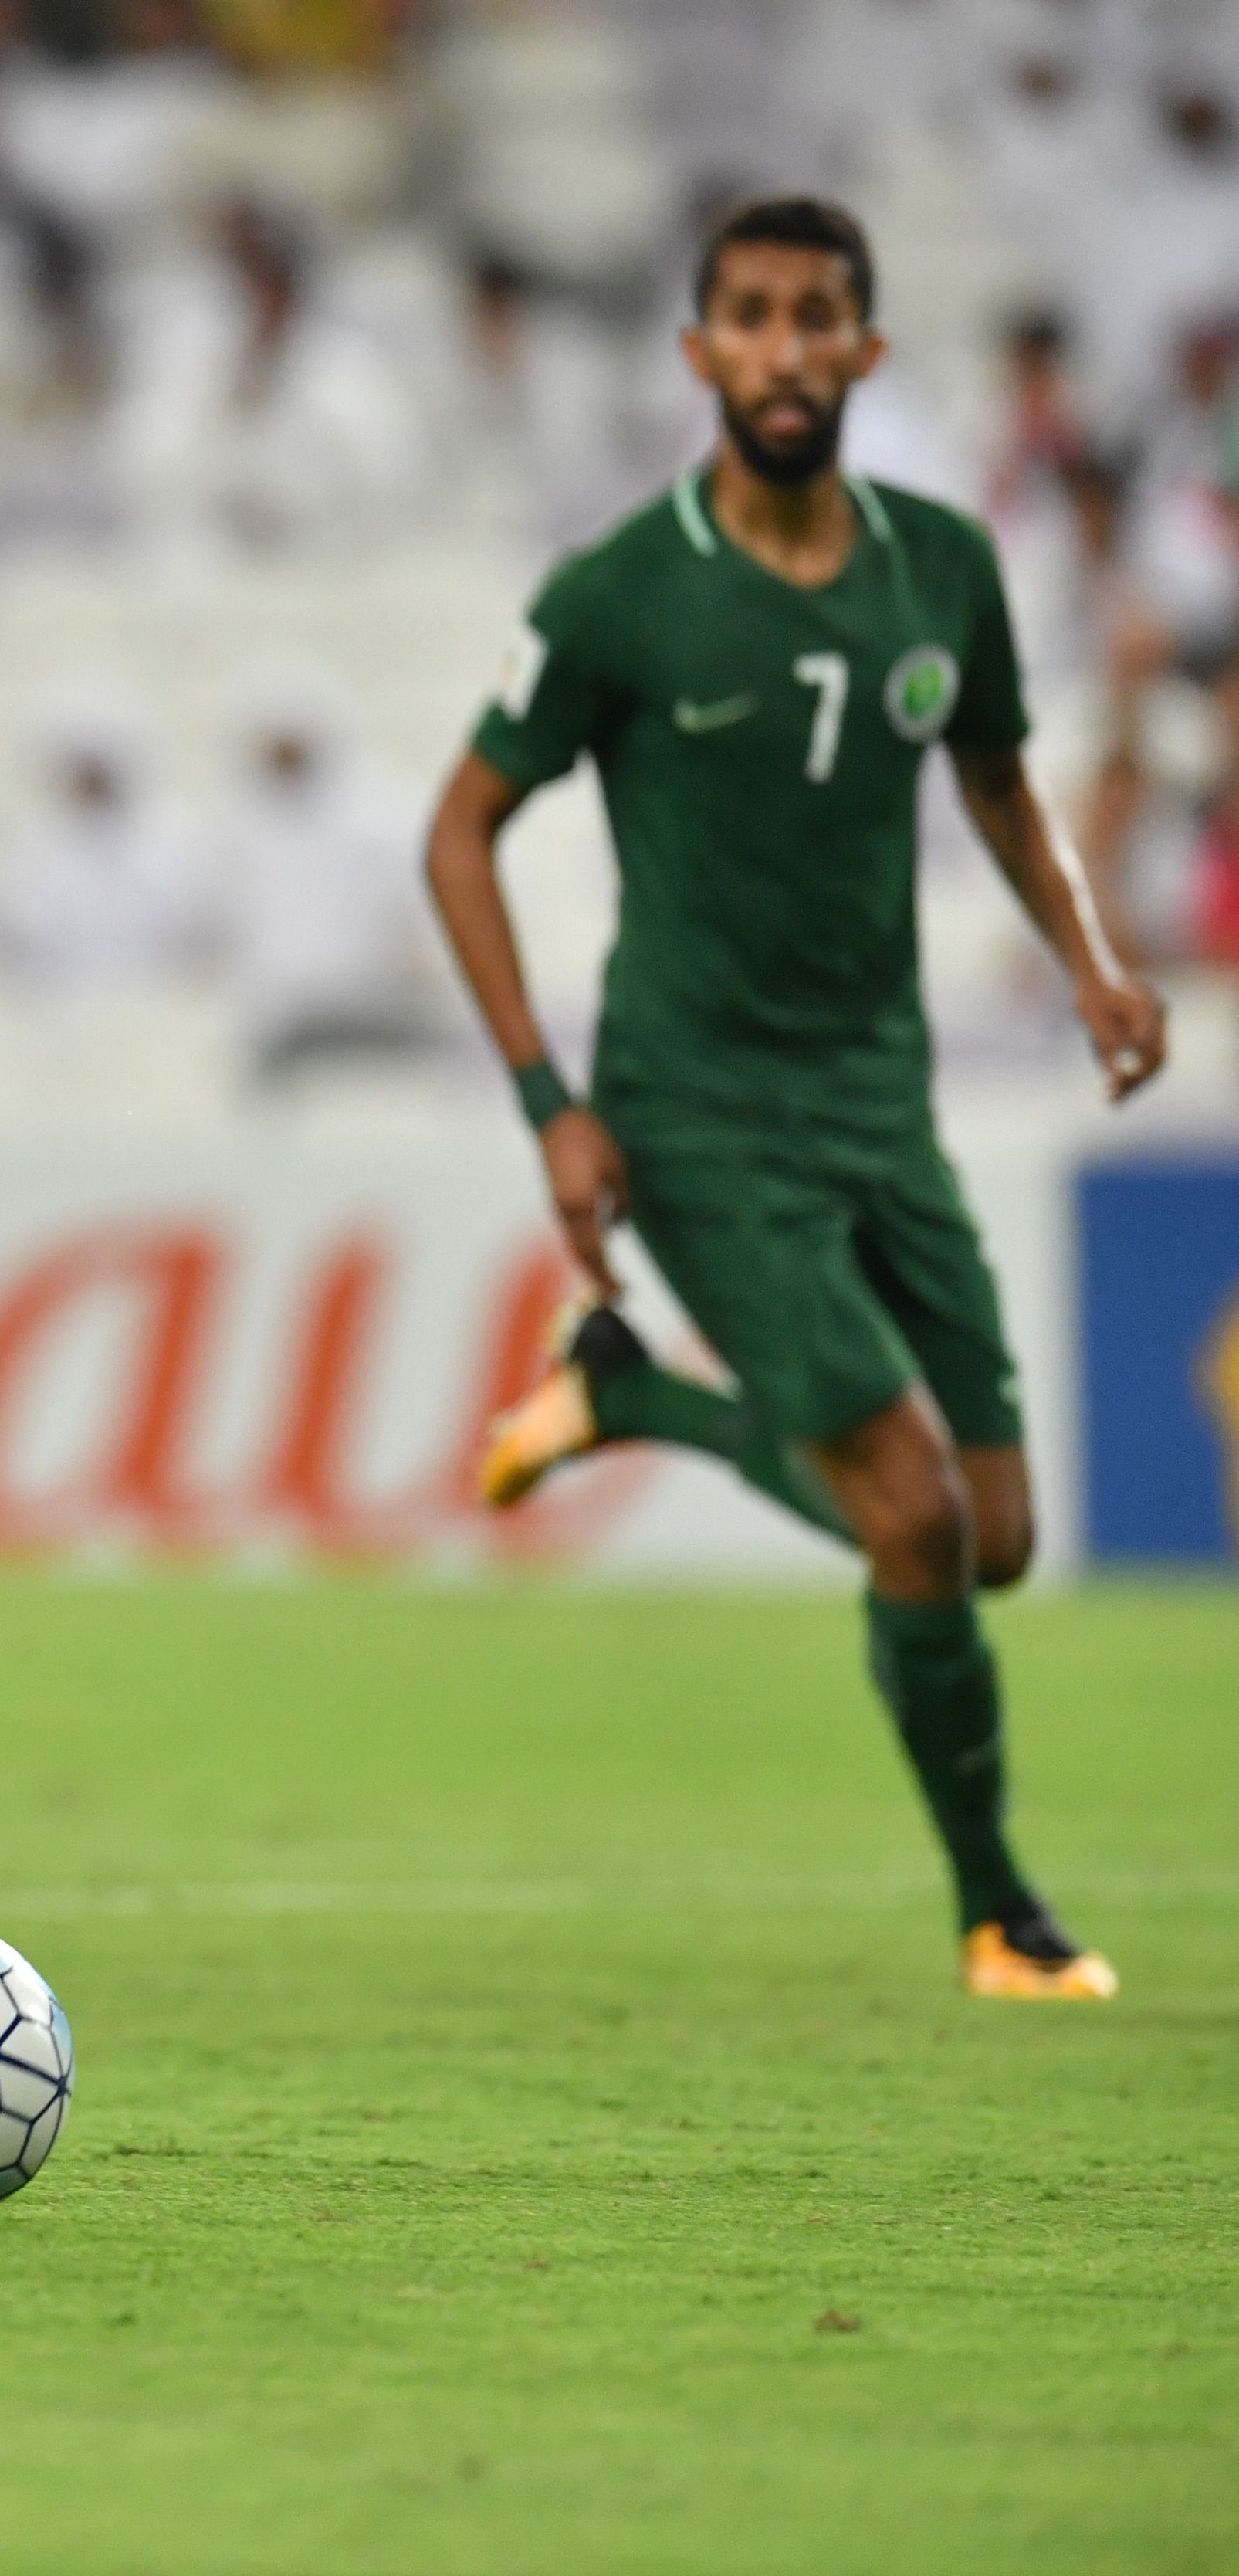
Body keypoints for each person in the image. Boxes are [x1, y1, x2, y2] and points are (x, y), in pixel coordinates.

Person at [427, 198, 1169, 2002]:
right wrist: (546, 1100)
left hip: (875, 1102)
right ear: (696, 355)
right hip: (688, 1110)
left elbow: (990, 770)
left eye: (812, 316)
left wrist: (1082, 953)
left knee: (986, 1540)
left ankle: (627, 1397)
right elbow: (456, 829)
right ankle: (995, 1910)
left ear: (862, 351)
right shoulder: (618, 591)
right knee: (907, 1517)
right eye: (745, 317)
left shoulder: (936, 562)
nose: (778, 348)